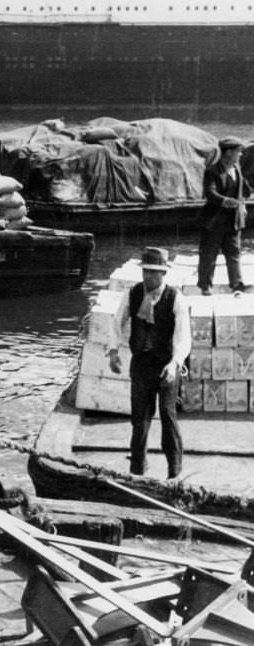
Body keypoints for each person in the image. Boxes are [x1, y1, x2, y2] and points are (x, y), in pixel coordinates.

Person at [108, 247, 191, 479]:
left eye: (154, 273)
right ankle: (137, 470)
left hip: (166, 366)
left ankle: (175, 472)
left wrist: (174, 363)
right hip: (142, 364)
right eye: (146, 271)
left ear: (163, 274)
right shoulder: (133, 294)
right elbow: (117, 323)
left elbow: (183, 338)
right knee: (140, 419)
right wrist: (113, 350)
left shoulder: (175, 299)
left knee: (167, 414)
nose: (148, 277)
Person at [197, 136, 252, 295]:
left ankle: (237, 284)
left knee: (234, 252)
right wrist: (227, 201)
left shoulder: (236, 169)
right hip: (214, 220)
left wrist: (242, 203)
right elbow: (210, 193)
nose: (240, 155)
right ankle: (205, 285)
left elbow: (245, 190)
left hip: (234, 220)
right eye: (238, 152)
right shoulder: (212, 171)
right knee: (209, 253)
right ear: (228, 152)